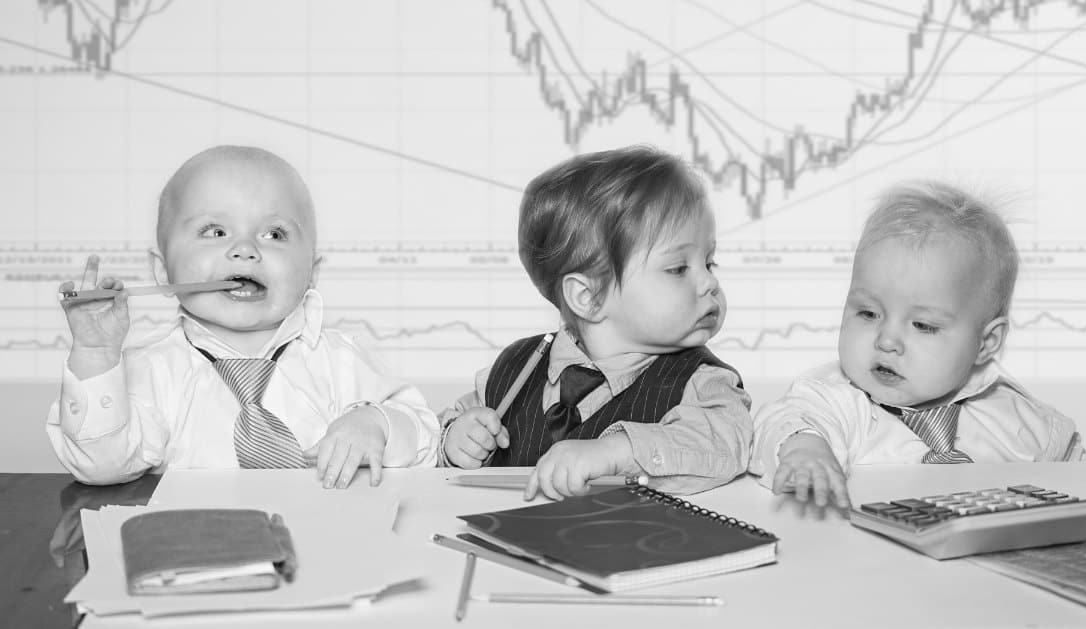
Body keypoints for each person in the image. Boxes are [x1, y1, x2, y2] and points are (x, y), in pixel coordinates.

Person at [750, 181, 1086, 509]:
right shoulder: (836, 399)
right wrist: (805, 451)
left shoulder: (1019, 417)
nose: (886, 339)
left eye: (923, 325)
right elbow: (787, 422)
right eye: (867, 313)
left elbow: (1079, 470)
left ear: (986, 343)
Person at [47, 145, 439, 487]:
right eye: (215, 231)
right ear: (163, 271)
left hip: (326, 549)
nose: (245, 249)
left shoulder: (341, 361)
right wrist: (96, 353)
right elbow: (102, 468)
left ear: (311, 273)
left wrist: (378, 425)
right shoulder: (151, 373)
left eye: (275, 234)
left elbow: (424, 439)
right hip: (197, 557)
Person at [439, 146, 752, 500]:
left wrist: (617, 452)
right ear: (588, 297)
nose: (709, 282)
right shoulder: (516, 367)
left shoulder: (702, 381)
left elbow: (726, 442)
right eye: (678, 269)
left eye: (709, 262)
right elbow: (461, 418)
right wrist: (455, 440)